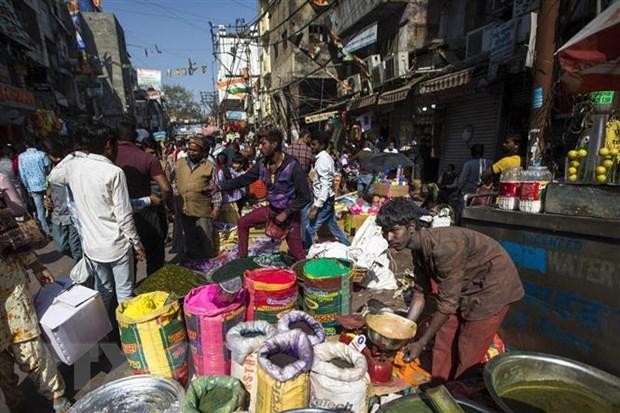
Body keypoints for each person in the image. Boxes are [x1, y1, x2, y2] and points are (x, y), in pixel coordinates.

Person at [377, 198, 524, 382]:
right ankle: (440, 384)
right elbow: (420, 294)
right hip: (465, 285)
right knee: (445, 333)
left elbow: (447, 305)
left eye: (394, 231)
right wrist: (403, 334)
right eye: (385, 232)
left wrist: (421, 343)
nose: (388, 238)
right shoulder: (417, 248)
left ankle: (462, 394)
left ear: (412, 227)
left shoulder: (444, 248)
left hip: (494, 286)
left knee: (469, 346)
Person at [48, 126, 145, 311]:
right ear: (109, 146)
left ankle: (106, 329)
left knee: (104, 289)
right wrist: (137, 243)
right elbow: (124, 216)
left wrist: (73, 155)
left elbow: (53, 177)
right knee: (124, 292)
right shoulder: (113, 172)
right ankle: (126, 334)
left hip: (92, 246)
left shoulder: (74, 167)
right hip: (116, 245)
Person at [0, 195, 71, 412]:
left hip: (10, 287)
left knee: (29, 344)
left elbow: (13, 239)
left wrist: (37, 266)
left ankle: (57, 397)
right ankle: (14, 401)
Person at [215, 128, 311, 261]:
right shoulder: (261, 164)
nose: (260, 147)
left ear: (275, 144)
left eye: (263, 143)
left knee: (298, 254)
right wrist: (220, 186)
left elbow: (306, 196)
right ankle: (242, 260)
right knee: (243, 223)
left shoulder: (293, 165)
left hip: (290, 216)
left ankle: (309, 278)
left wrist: (285, 214)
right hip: (271, 210)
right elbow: (244, 179)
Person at [115, 121, 171, 275]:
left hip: (117, 217)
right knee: (154, 257)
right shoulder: (146, 158)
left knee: (126, 263)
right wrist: (162, 203)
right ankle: (154, 291)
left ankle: (128, 295)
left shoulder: (108, 158)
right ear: (135, 136)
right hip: (147, 214)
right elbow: (165, 188)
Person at [176, 136, 222, 260]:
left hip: (202, 209)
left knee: (206, 238)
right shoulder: (179, 163)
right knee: (189, 237)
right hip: (184, 208)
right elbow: (173, 182)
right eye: (190, 150)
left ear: (202, 151)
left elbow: (215, 189)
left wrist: (216, 208)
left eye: (195, 150)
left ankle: (208, 262)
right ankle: (193, 263)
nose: (191, 152)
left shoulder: (209, 166)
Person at [304, 132, 351, 248]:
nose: (311, 147)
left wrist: (316, 207)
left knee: (309, 229)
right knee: (333, 226)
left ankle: (306, 253)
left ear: (321, 145)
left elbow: (325, 185)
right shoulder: (323, 158)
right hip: (327, 200)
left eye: (314, 145)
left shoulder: (322, 160)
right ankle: (348, 245)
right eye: (311, 144)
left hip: (324, 202)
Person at [42, 139, 82, 261]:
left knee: (76, 249)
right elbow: (48, 188)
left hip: (73, 214)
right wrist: (47, 199)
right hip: (58, 215)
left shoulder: (70, 166)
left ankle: (84, 273)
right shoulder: (51, 169)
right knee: (61, 247)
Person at [18, 141, 51, 236]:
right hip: (45, 183)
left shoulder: (21, 157)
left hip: (32, 186)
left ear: (26, 145)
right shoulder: (42, 154)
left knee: (39, 208)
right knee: (50, 204)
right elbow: (48, 168)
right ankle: (52, 223)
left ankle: (46, 230)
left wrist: (27, 187)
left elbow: (22, 174)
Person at [215, 152, 242, 225]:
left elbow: (220, 182)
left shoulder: (220, 171)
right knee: (234, 214)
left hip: (226, 197)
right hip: (234, 195)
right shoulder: (230, 169)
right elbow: (239, 175)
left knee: (227, 216)